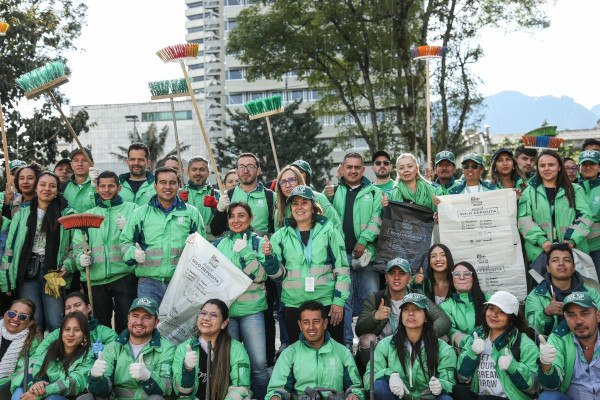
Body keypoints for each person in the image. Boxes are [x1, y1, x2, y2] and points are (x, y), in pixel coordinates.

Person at [213, 202, 284, 399]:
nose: (236, 220)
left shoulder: (260, 243)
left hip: (252, 312)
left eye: (241, 215)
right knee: (230, 366)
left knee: (259, 365)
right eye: (232, 216)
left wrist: (245, 253)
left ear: (251, 219)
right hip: (227, 315)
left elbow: (261, 276)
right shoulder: (219, 244)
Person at [270, 186, 350, 344]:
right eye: (295, 203)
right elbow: (277, 275)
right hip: (294, 305)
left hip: (326, 303)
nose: (299, 207)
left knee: (333, 354)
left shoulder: (330, 232)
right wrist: (268, 259)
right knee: (300, 356)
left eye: (304, 202)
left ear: (313, 207)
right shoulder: (280, 236)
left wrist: (339, 302)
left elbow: (342, 270)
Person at [0, 172, 76, 332]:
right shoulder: (21, 215)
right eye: (43, 185)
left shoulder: (67, 214)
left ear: (57, 190)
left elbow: (74, 247)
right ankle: (33, 357)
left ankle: (55, 356)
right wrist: (6, 282)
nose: (47, 189)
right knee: (33, 322)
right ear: (36, 188)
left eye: (52, 185)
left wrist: (68, 266)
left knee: (55, 321)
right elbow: (9, 249)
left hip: (54, 274)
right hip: (27, 272)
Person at [120, 167, 204, 305]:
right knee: (149, 324)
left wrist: (196, 245)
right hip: (148, 283)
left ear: (178, 186)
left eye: (172, 183)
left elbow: (202, 248)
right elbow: (125, 241)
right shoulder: (140, 214)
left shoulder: (192, 214)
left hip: (181, 283)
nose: (167, 187)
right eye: (163, 182)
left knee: (179, 325)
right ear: (155, 185)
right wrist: (132, 253)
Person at [324, 152, 383, 348]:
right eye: (349, 167)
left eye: (357, 167)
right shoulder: (332, 192)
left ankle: (370, 344)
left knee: (371, 300)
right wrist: (327, 198)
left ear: (363, 170)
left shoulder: (374, 192)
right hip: (340, 258)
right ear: (342, 168)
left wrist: (364, 240)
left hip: (367, 256)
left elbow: (377, 219)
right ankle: (347, 344)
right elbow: (327, 222)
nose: (353, 170)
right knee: (344, 302)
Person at [73, 171, 138, 333]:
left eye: (111, 186)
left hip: (124, 275)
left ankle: (124, 356)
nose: (107, 190)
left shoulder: (133, 209)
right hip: (95, 279)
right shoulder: (88, 215)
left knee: (126, 323)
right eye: (103, 186)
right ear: (97, 188)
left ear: (119, 188)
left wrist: (129, 229)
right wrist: (80, 258)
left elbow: (142, 238)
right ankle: (103, 356)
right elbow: (77, 245)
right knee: (100, 326)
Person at [355, 258, 450, 367]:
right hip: (383, 352)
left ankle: (431, 378)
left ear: (410, 279)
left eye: (402, 273)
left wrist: (427, 334)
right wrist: (375, 317)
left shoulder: (418, 296)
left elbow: (444, 319)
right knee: (366, 340)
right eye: (391, 273)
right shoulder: (375, 298)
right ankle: (374, 378)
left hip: (412, 348)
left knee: (442, 337)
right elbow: (359, 330)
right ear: (386, 278)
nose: (396, 277)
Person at [364, 293, 456, 400]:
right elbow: (368, 378)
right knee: (379, 386)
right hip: (399, 397)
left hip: (427, 398)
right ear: (401, 315)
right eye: (406, 309)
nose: (410, 313)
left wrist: (441, 385)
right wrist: (390, 375)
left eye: (417, 309)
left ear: (426, 317)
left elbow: (451, 384)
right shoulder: (385, 345)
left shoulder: (443, 349)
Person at [266, 300, 364, 400]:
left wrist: (354, 395)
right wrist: (275, 396)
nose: (311, 327)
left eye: (316, 321)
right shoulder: (288, 354)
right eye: (306, 322)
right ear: (300, 325)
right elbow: (278, 389)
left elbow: (354, 387)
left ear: (325, 323)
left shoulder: (343, 352)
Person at [517, 150, 593, 274]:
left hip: (573, 253)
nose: (546, 169)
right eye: (542, 166)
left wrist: (571, 240)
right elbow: (523, 220)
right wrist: (542, 241)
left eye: (551, 165)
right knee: (545, 292)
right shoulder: (529, 192)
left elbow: (586, 217)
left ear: (559, 167)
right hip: (540, 254)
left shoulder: (575, 190)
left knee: (575, 291)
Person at [84, 297, 176, 400]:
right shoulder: (113, 347)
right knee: (86, 398)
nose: (139, 322)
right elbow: (102, 392)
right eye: (135, 316)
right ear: (128, 318)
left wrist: (148, 378)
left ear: (156, 323)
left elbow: (167, 389)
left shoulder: (167, 349)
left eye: (146, 317)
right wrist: (96, 379)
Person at [455, 291, 539, 400]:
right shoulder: (477, 337)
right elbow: (462, 378)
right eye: (491, 308)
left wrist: (513, 367)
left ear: (511, 318)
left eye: (502, 312)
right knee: (457, 390)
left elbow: (533, 387)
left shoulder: (524, 343)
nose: (494, 315)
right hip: (480, 396)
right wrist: (472, 354)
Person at [172, 299, 252, 400]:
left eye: (213, 315)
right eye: (203, 313)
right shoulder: (184, 348)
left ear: (224, 323)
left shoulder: (236, 349)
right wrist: (187, 369)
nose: (206, 318)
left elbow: (240, 387)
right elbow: (181, 392)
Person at [11, 312, 94, 400]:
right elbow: (33, 370)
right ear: (61, 332)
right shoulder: (50, 348)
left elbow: (74, 384)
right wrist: (35, 385)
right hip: (43, 391)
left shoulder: (88, 355)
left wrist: (44, 391)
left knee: (52, 398)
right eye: (67, 329)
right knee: (20, 392)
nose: (71, 334)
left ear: (84, 334)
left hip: (68, 397)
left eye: (76, 330)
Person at [525, 242, 600, 337]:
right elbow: (535, 332)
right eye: (555, 260)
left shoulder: (590, 293)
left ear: (573, 268)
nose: (561, 263)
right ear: (548, 268)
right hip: (551, 348)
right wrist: (546, 314)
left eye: (567, 260)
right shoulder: (536, 296)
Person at [537, 291, 600, 399]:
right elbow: (551, 386)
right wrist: (546, 365)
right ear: (566, 318)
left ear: (598, 316)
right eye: (571, 315)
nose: (579, 321)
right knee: (547, 397)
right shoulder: (558, 339)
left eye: (585, 313)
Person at [211, 153, 276, 237]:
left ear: (258, 171)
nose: (245, 171)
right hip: (233, 248)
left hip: (260, 248)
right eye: (241, 167)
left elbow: (278, 230)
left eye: (250, 166)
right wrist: (219, 210)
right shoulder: (227, 195)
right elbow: (216, 231)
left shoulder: (271, 196)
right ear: (237, 171)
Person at [35, 292, 117, 359]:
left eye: (77, 305)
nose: (72, 310)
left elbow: (118, 353)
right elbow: (37, 356)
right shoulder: (57, 334)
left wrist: (105, 351)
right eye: (68, 308)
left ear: (89, 308)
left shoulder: (105, 332)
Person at [274, 165, 341, 235]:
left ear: (299, 180)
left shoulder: (319, 199)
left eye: (291, 180)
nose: (287, 185)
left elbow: (336, 228)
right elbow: (278, 239)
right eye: (282, 182)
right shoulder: (280, 209)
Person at [439, 262, 490, 349]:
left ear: (473, 278)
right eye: (456, 274)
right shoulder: (445, 306)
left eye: (466, 274)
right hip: (464, 352)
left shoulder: (489, 300)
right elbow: (451, 332)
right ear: (452, 279)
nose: (462, 278)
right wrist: (470, 341)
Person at [0, 299, 42, 399]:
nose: (15, 319)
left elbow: (21, 374)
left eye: (22, 316)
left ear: (30, 322)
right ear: (6, 314)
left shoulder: (33, 343)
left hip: (7, 386)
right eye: (12, 313)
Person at [180, 156, 220, 239]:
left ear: (208, 173)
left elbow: (228, 220)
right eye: (194, 169)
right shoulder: (179, 194)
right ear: (188, 172)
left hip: (211, 245)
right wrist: (177, 203)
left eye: (202, 170)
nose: (198, 173)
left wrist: (217, 206)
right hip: (186, 244)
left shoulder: (218, 195)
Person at [577, 149, 600, 274]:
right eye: (584, 164)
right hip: (577, 247)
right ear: (579, 167)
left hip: (597, 248)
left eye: (592, 164)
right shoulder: (571, 188)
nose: (588, 167)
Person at [63, 148, 99, 213]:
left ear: (92, 164)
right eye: (76, 160)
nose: (80, 164)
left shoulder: (101, 185)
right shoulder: (63, 187)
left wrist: (95, 185)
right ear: (71, 165)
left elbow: (103, 208)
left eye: (84, 160)